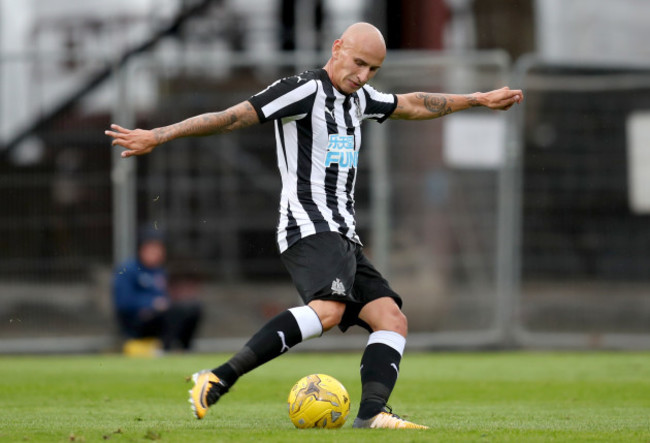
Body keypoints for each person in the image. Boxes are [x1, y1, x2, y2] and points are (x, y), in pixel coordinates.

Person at [106, 22, 523, 429]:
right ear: (337, 47)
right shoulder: (303, 90)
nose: (362, 76)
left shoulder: (359, 100)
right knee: (328, 311)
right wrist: (158, 135)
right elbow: (233, 117)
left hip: (343, 234)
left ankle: (372, 412)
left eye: (372, 70)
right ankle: (217, 377)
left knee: (391, 319)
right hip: (307, 226)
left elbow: (411, 103)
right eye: (358, 63)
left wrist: (477, 99)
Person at [112, 227, 202, 352]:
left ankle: (185, 349)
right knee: (172, 313)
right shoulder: (128, 269)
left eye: (160, 248)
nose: (157, 252)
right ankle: (165, 349)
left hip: (159, 316)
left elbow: (164, 297)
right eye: (153, 248)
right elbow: (123, 302)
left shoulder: (159, 271)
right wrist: (151, 304)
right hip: (138, 322)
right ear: (142, 249)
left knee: (192, 308)